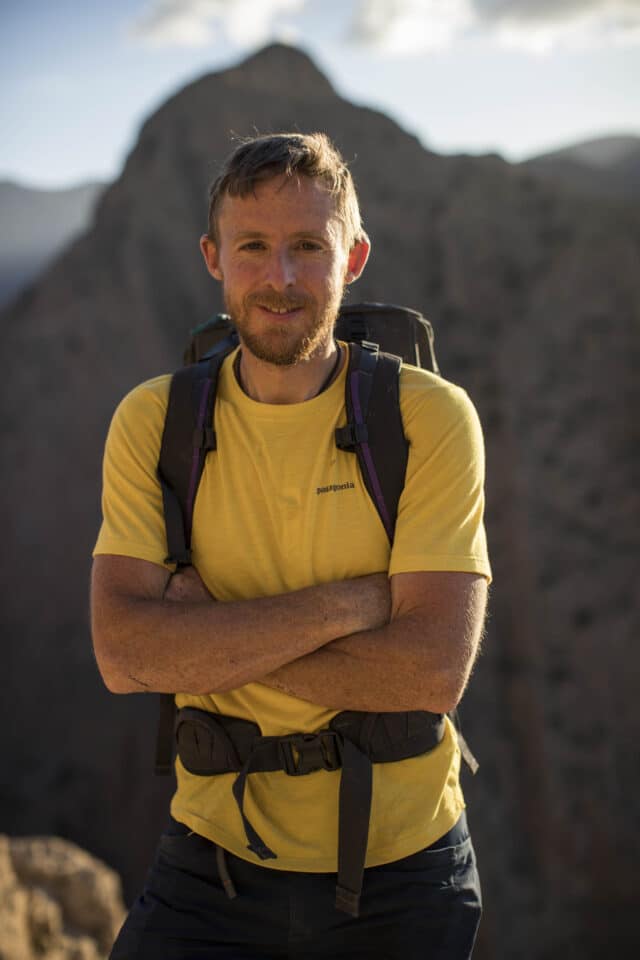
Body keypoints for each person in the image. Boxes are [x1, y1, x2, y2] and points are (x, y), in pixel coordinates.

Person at [91, 131, 491, 959]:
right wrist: (349, 605)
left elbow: (430, 672)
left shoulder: (427, 417)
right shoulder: (154, 422)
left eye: (309, 247)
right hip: (212, 858)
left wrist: (203, 643)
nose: (280, 278)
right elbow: (122, 652)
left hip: (406, 866)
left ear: (353, 258)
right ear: (213, 258)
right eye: (254, 248)